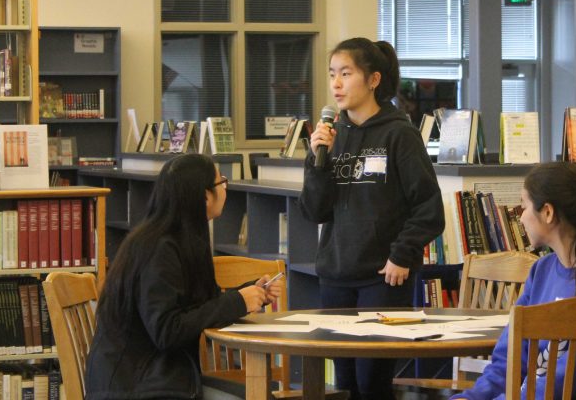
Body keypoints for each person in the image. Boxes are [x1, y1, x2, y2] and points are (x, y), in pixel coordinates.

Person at [300, 37, 445, 400]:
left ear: (373, 80)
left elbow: (429, 208)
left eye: (346, 74)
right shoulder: (332, 136)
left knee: (372, 384)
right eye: (332, 74)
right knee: (344, 386)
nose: (336, 84)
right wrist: (318, 159)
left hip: (382, 276)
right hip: (335, 274)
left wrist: (403, 254)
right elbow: (315, 211)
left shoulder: (400, 134)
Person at [85, 154, 284, 400]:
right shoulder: (159, 248)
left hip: (157, 377)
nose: (225, 188)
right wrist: (238, 301)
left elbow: (198, 306)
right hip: (136, 387)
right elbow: (167, 331)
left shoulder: (178, 239)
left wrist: (250, 292)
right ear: (204, 196)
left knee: (263, 395)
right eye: (221, 182)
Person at [453, 162, 576, 400]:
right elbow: (510, 358)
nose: (521, 217)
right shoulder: (541, 271)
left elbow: (573, 376)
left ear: (547, 212)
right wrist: (472, 397)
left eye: (524, 206)